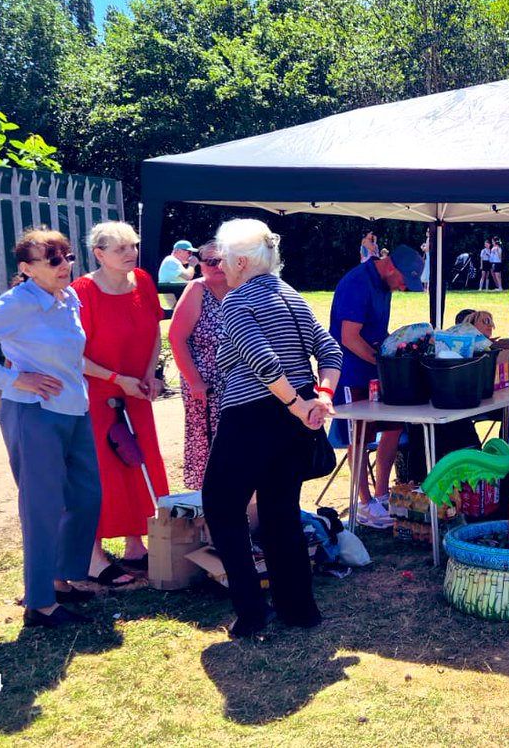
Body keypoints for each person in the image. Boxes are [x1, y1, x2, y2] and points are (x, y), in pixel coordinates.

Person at [0, 228, 100, 628]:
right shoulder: (17, 303)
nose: (65, 265)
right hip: (34, 415)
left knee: (86, 497)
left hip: (74, 410)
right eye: (54, 260)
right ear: (27, 269)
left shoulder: (68, 297)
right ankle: (40, 603)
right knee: (42, 507)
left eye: (67, 257)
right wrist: (12, 379)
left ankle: (61, 579)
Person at [204, 218, 342, 637]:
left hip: (252, 415)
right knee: (279, 510)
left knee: (222, 507)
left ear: (242, 262)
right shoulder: (291, 294)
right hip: (293, 418)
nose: (219, 265)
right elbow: (330, 349)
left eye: (223, 258)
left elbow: (262, 360)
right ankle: (299, 609)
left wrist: (300, 404)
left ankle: (252, 611)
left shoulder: (237, 300)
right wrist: (321, 397)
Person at [72, 221, 169, 585]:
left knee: (139, 463)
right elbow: (73, 354)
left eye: (133, 246)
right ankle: (93, 555)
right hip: (97, 395)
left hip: (136, 392)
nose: (131, 253)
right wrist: (117, 380)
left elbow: (154, 331)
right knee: (101, 472)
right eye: (121, 248)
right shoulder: (82, 292)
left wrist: (148, 374)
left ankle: (135, 544)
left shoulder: (142, 281)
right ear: (99, 254)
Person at [330, 244, 425, 528]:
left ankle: (382, 495)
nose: (403, 288)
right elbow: (349, 337)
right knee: (359, 436)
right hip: (351, 372)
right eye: (403, 282)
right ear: (392, 267)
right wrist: (382, 362)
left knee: (393, 427)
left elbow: (377, 330)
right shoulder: (357, 283)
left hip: (376, 370)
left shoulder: (384, 283)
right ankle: (365, 503)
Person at [168, 239, 234, 490]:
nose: (217, 266)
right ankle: (208, 498)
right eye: (211, 261)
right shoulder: (197, 289)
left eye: (223, 260)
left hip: (239, 384)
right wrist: (195, 381)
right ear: (201, 264)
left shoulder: (241, 289)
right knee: (207, 443)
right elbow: (176, 338)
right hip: (205, 385)